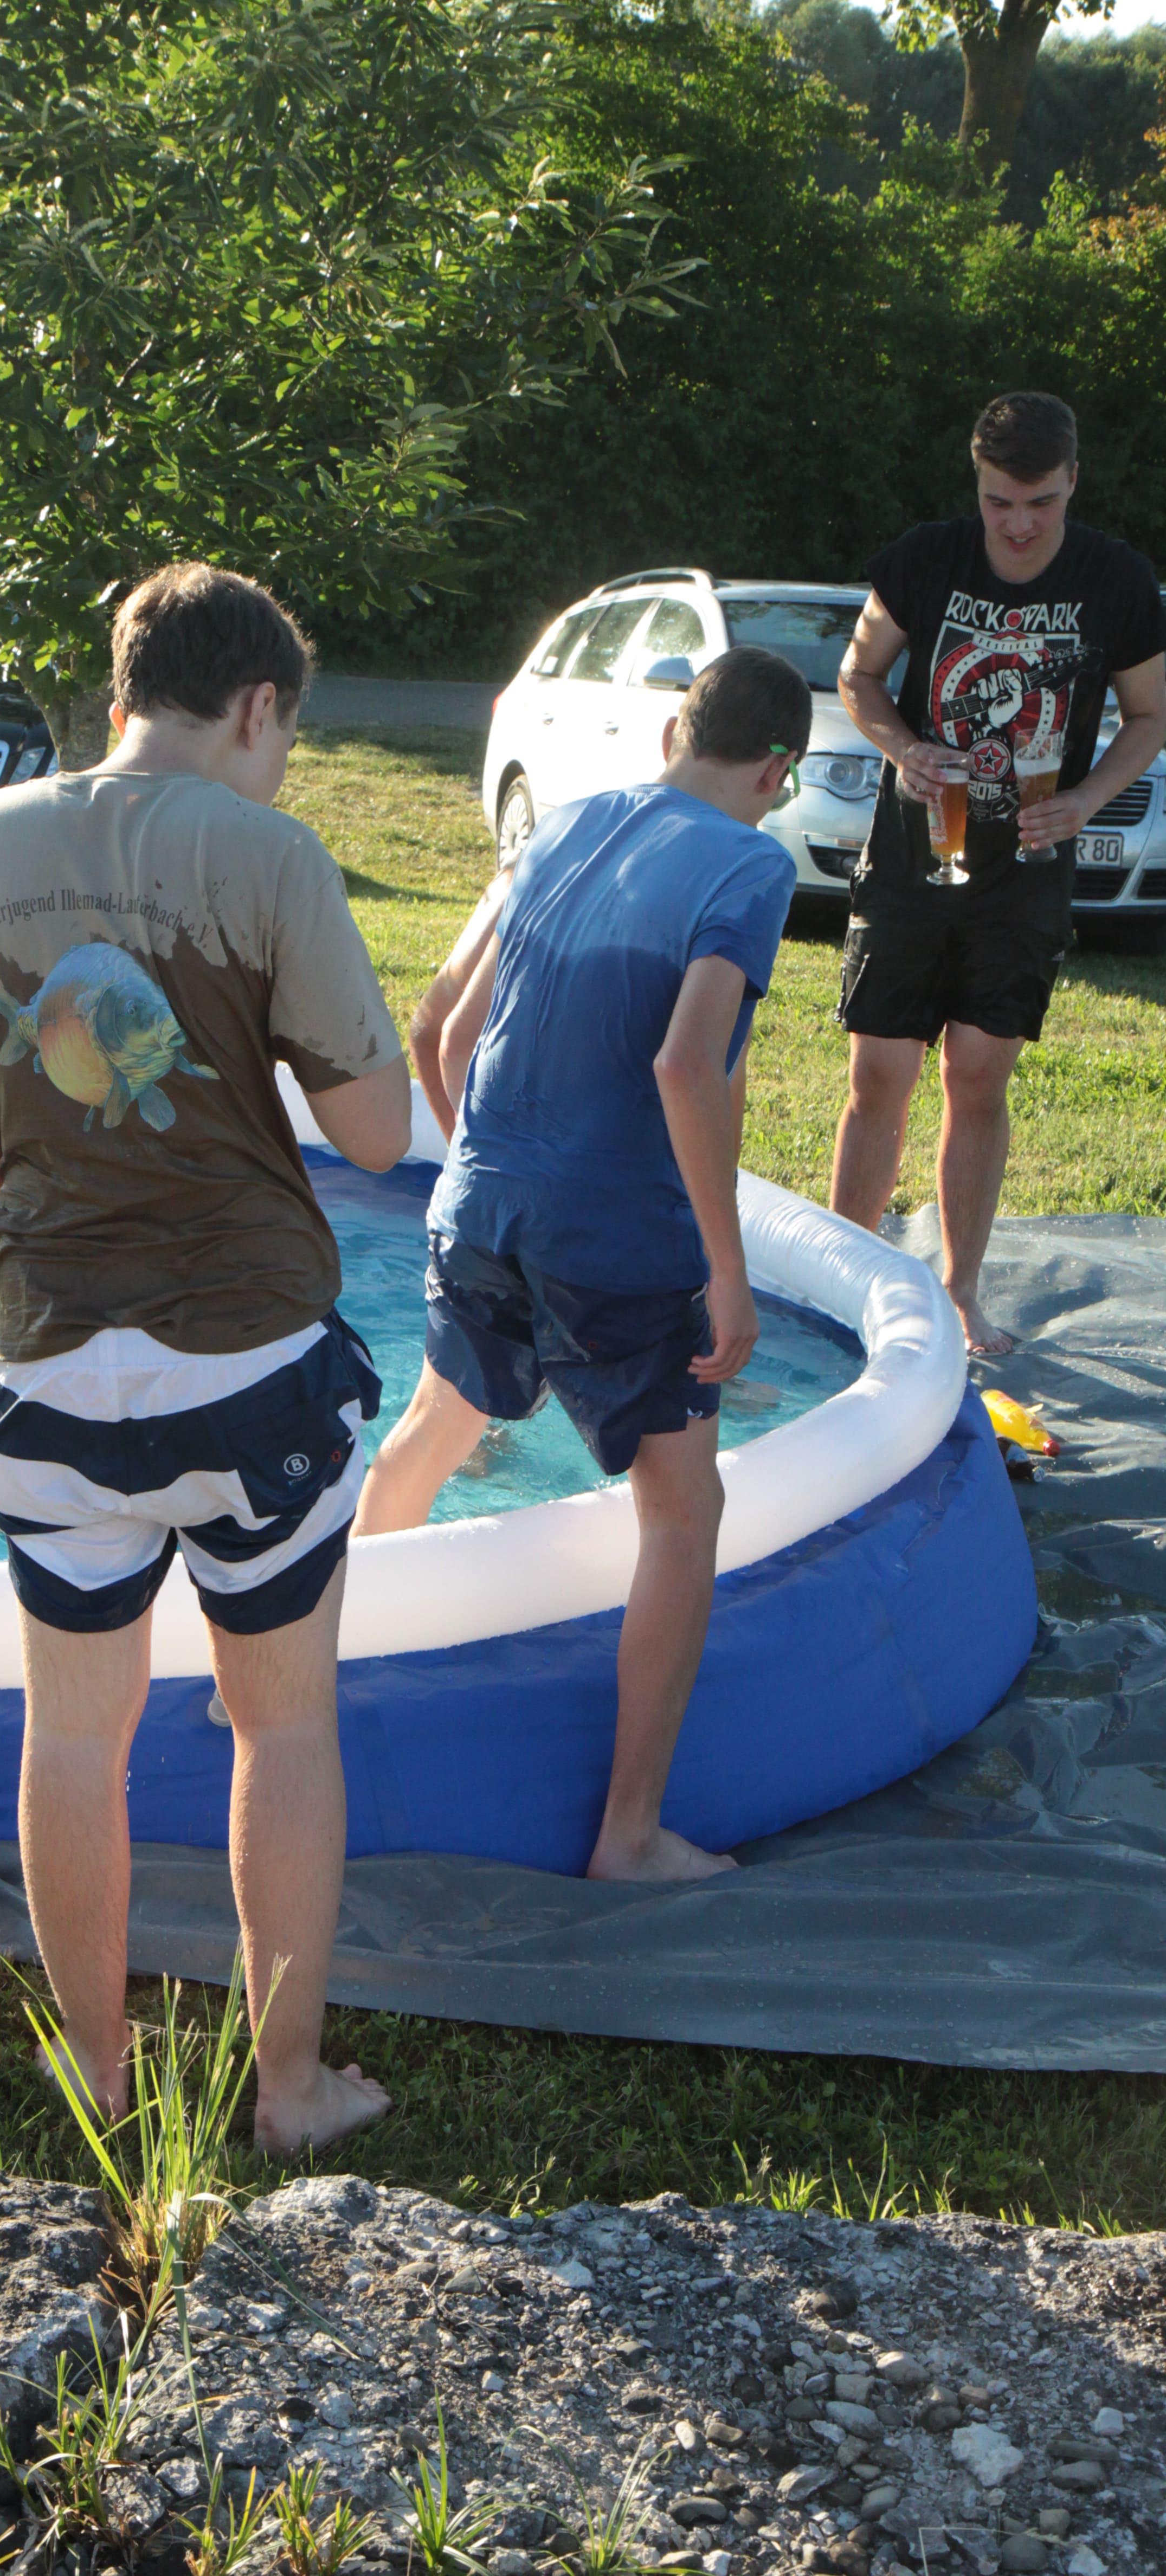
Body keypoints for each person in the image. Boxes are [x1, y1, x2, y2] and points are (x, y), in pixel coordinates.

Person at [0, 562, 413, 2153]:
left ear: (121, 700)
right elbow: (377, 1134)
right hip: (252, 1370)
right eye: (282, 738)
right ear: (256, 707)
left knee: (75, 1734)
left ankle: (95, 2076)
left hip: (46, 1369)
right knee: (282, 1726)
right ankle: (287, 2091)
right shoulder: (272, 856)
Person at [353, 647, 809, 1884]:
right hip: (614, 1242)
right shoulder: (752, 866)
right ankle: (630, 1835)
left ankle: (320, 1687)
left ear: (673, 734)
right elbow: (686, 1064)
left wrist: (489, 1164)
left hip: (478, 1207)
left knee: (431, 1436)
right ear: (778, 771)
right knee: (684, 1515)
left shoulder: (557, 826)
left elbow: (441, 1025)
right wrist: (727, 1270)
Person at [832, 390, 1166, 1355]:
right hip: (913, 854)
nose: (1019, 526)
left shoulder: (1116, 579)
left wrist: (1087, 799)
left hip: (1025, 869)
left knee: (978, 1076)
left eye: (1041, 503)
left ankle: (960, 1293)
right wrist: (902, 747)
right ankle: (840, 1286)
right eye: (999, 503)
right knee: (880, 1072)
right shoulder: (926, 559)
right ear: (975, 485)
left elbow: (1150, 716)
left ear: (1073, 482)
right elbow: (858, 676)